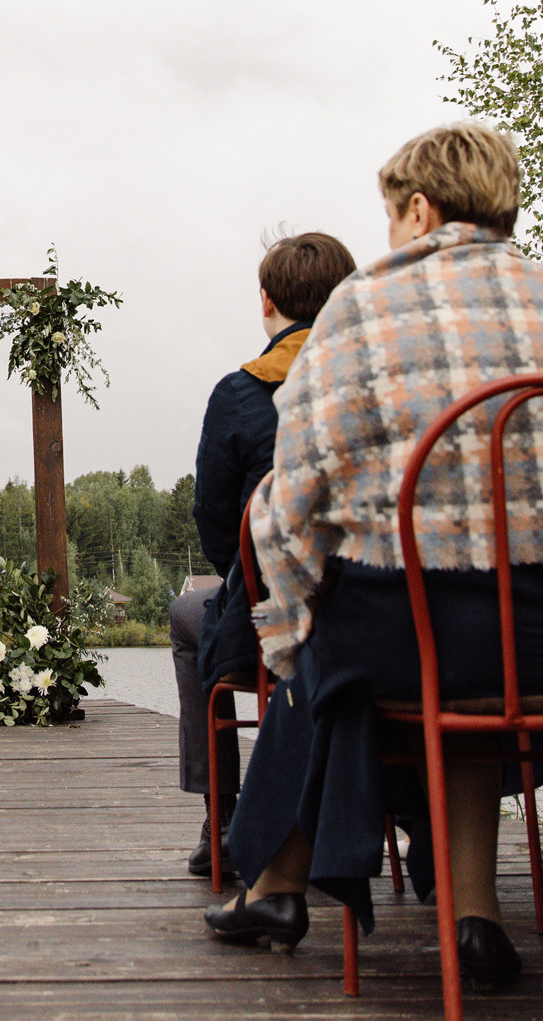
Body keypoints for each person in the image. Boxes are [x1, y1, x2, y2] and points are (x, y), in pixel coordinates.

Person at [211, 122, 543, 993]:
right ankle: (473, 913)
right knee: (452, 608)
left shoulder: (364, 307)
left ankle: (276, 883)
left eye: (391, 215)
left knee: (339, 620)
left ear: (419, 209)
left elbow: (296, 490)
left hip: (430, 640)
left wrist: (289, 615)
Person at [171, 231, 355, 876]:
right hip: (380, 613)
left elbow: (216, 518)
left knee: (186, 615)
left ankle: (220, 815)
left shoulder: (243, 391)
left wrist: (245, 578)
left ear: (267, 301)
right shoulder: (374, 377)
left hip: (273, 611)